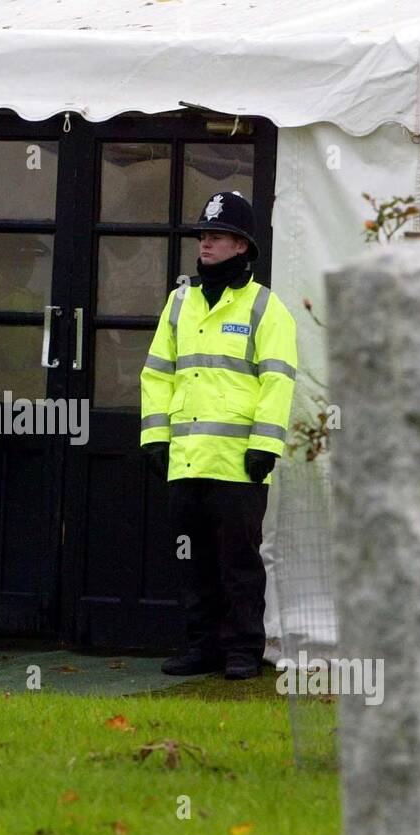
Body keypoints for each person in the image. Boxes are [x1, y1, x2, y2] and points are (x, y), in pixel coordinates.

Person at [139, 190, 297, 679]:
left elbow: (278, 378)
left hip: (237, 463)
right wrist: (154, 437)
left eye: (218, 236)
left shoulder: (266, 308)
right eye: (204, 235)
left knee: (239, 565)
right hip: (186, 458)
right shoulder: (179, 302)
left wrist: (266, 446)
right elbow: (157, 373)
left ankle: (243, 650)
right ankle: (201, 646)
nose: (206, 243)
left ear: (243, 246)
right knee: (193, 562)